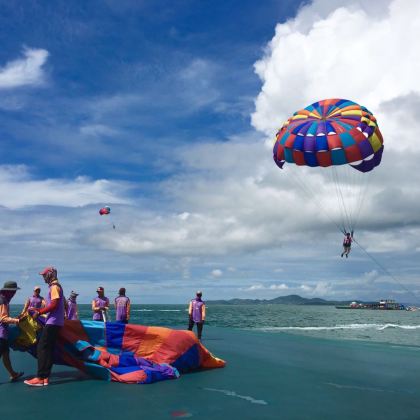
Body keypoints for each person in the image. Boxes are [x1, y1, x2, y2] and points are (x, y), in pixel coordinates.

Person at [24, 266, 65, 387]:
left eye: (44, 275)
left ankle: (40, 377)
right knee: (48, 349)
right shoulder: (56, 287)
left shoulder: (54, 287)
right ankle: (45, 377)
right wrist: (38, 309)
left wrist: (39, 312)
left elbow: (54, 305)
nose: (43, 277)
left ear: (50, 275)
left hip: (53, 322)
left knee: (41, 348)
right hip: (56, 321)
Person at [0, 281, 24, 382]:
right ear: (8, 291)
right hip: (0, 334)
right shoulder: (2, 300)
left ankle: (13, 374)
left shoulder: (2, 298)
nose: (14, 293)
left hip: (3, 333)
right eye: (13, 291)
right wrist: (16, 321)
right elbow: (3, 318)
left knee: (6, 353)